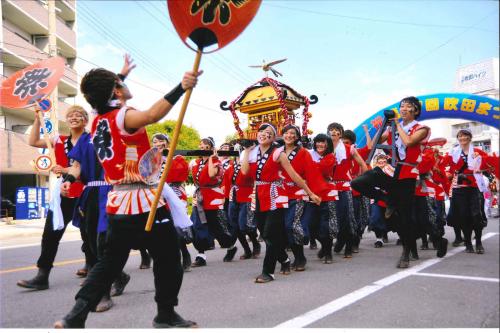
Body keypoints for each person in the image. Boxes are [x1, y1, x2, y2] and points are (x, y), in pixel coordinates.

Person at [54, 67, 201, 328]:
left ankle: (76, 313)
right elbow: (153, 114)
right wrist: (182, 87)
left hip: (117, 200)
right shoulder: (123, 115)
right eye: (119, 81)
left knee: (109, 261)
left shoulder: (98, 121)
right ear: (115, 90)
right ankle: (165, 313)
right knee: (168, 258)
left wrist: (119, 76)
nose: (123, 84)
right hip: (142, 198)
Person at [352, 96, 445, 269]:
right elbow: (375, 143)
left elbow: (409, 141)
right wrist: (383, 126)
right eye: (402, 106)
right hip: (391, 169)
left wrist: (397, 125)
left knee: (406, 219)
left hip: (407, 174)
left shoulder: (422, 128)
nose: (403, 109)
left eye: (408, 106)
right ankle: (386, 200)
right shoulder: (395, 126)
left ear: (415, 110)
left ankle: (407, 253)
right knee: (358, 183)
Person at [240, 123, 321, 283]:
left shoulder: (279, 153)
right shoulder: (252, 153)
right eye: (261, 131)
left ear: (274, 137)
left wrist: (310, 193)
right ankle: (284, 260)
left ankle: (268, 272)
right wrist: (246, 152)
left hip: (276, 194)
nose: (264, 134)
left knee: (271, 232)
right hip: (258, 194)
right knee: (264, 233)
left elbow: (294, 175)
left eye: (268, 132)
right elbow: (244, 172)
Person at [17, 106, 86, 290]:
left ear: (85, 120)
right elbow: (33, 141)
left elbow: (91, 168)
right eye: (71, 115)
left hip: (86, 194)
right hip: (63, 194)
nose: (74, 117)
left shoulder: (91, 141)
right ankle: (42, 275)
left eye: (79, 115)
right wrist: (38, 119)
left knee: (90, 237)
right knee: (49, 235)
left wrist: (65, 170)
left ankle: (100, 272)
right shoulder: (58, 140)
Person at [190, 137, 238, 267]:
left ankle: (230, 246)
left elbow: (211, 174)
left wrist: (212, 157)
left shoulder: (216, 162)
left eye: (206, 147)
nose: (202, 149)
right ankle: (201, 255)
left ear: (211, 149)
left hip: (213, 197)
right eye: (201, 146)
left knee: (217, 227)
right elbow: (195, 179)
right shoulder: (196, 162)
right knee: (197, 225)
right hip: (200, 197)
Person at [151, 132, 192, 271]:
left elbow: (179, 174)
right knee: (162, 227)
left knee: (176, 226)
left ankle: (185, 254)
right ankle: (169, 258)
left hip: (174, 192)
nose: (157, 144)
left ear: (167, 142)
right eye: (154, 142)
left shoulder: (177, 157)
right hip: (157, 194)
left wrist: (167, 158)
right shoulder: (153, 159)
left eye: (160, 141)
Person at [327, 122, 368, 258]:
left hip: (345, 186)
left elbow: (362, 164)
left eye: (336, 130)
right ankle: (338, 241)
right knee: (332, 218)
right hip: (329, 187)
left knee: (347, 217)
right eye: (331, 130)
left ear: (341, 133)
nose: (333, 132)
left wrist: (360, 180)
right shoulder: (323, 148)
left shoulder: (349, 148)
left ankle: (349, 245)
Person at [444, 129, 487, 254]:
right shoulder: (452, 152)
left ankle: (478, 242)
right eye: (460, 136)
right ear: (458, 138)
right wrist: (447, 174)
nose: (463, 138)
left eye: (465, 135)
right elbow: (446, 168)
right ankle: (468, 243)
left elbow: (487, 165)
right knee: (463, 217)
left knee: (476, 216)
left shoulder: (478, 151)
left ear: (470, 138)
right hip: (459, 188)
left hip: (474, 187)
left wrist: (481, 169)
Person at [307, 133, 339, 263]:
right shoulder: (309, 154)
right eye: (318, 142)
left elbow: (320, 169)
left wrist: (308, 164)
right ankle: (326, 247)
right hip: (312, 193)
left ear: (328, 144)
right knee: (311, 226)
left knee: (326, 225)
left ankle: (327, 252)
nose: (320, 144)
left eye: (323, 142)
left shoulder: (331, 157)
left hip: (327, 194)